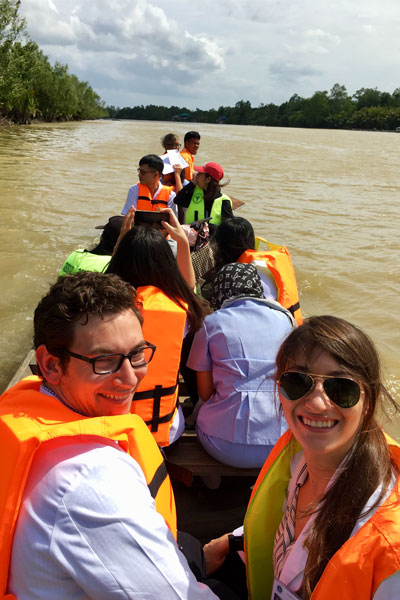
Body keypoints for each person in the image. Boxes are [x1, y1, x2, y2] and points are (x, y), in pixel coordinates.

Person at [1, 272, 219, 599]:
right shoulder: (89, 478)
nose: (131, 378)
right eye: (105, 361)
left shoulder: (26, 408)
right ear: (51, 364)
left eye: (137, 353)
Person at [204, 315, 400, 599]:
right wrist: (234, 540)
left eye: (341, 388)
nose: (317, 403)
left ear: (367, 401)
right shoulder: (296, 457)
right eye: (297, 382)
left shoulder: (388, 546)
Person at [107, 223, 206, 446]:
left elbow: (104, 282)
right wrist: (182, 243)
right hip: (162, 429)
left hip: (110, 428)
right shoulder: (180, 311)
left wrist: (121, 240)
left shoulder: (104, 308)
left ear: (120, 260)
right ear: (166, 265)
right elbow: (189, 289)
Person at [187, 263, 295, 468]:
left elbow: (206, 393)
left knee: (200, 412)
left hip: (221, 447)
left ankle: (212, 477)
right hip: (280, 443)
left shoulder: (211, 323)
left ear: (220, 291)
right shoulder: (285, 320)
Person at [175, 162, 233, 229]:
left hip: (212, 238)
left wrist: (209, 227)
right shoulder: (194, 192)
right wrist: (192, 184)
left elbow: (229, 227)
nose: (196, 176)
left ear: (208, 179)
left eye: (200, 174)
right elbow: (178, 200)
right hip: (192, 238)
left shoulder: (224, 201)